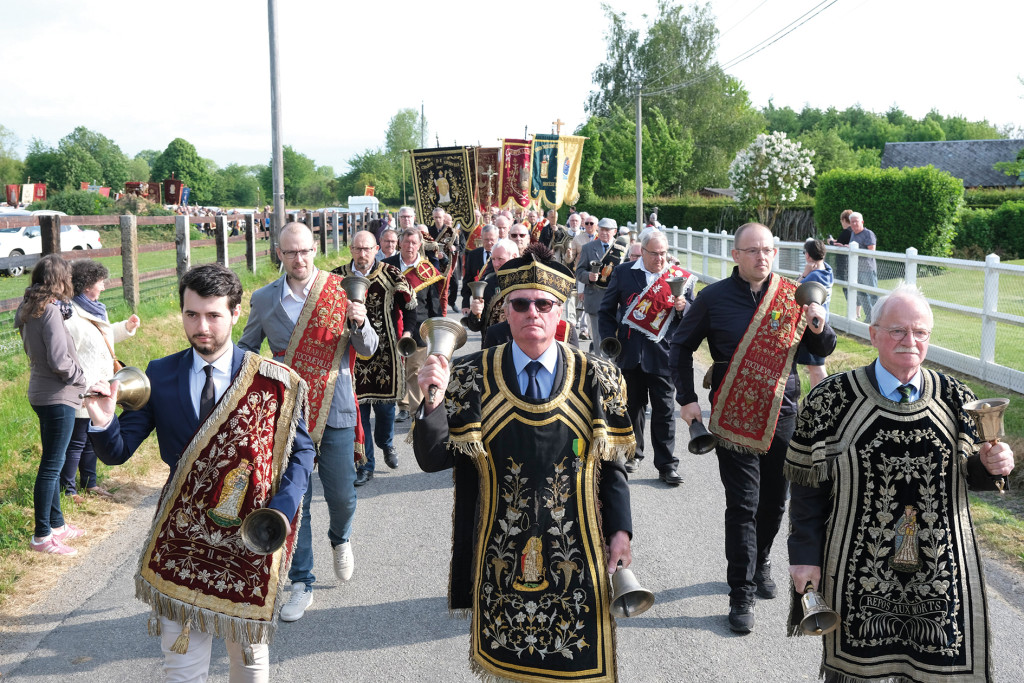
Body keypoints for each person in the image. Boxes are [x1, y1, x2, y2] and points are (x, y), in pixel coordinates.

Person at [86, 263, 315, 681]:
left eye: (212, 315)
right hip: (183, 540)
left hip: (250, 539)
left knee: (248, 664)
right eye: (192, 315)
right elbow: (118, 452)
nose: (201, 327)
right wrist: (103, 420)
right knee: (182, 666)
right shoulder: (160, 373)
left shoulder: (274, 382)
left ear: (235, 313)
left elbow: (302, 454)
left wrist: (281, 512)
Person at [412, 252, 635, 683]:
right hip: (500, 548)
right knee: (512, 666)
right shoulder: (469, 374)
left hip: (579, 549)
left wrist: (621, 532)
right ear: (505, 311)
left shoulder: (597, 376)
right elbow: (433, 458)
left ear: (559, 311)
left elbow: (613, 467)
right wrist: (432, 401)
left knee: (578, 661)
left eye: (543, 304)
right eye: (520, 304)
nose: (532, 312)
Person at [786, 283, 1014, 683]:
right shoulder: (831, 399)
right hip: (858, 572)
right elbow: (807, 491)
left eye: (920, 332)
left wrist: (993, 463)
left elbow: (973, 475)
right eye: (897, 331)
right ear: (873, 334)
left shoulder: (957, 398)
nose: (910, 340)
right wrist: (805, 554)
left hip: (941, 570)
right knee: (859, 668)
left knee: (939, 667)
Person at [669, 222, 836, 634]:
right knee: (743, 505)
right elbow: (680, 345)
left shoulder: (794, 295)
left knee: (775, 503)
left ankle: (760, 560)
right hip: (733, 416)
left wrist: (817, 323)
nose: (762, 256)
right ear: (735, 255)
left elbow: (821, 348)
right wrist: (687, 398)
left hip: (784, 413)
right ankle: (740, 593)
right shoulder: (712, 299)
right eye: (752, 250)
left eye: (768, 250)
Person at [238, 222, 377, 622]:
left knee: (342, 495)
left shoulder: (342, 289)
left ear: (315, 249)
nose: (297, 260)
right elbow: (247, 349)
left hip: (335, 407)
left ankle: (341, 538)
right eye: (289, 253)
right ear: (278, 254)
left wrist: (359, 321)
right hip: (287, 413)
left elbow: (369, 348)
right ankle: (301, 582)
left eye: (303, 251)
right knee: (295, 501)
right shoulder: (264, 298)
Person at [599, 231, 694, 484]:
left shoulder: (677, 277)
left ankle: (666, 465)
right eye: (655, 254)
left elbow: (695, 316)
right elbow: (606, 310)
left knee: (664, 411)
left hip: (664, 353)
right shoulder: (623, 272)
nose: (661, 259)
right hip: (629, 353)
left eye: (664, 253)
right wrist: (610, 340)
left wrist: (685, 308)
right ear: (643, 251)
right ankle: (633, 454)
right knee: (633, 408)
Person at [16, 255, 87, 556]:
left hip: (40, 393)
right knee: (51, 467)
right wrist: (79, 375)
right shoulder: (51, 312)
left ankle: (57, 524)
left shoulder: (30, 308)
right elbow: (60, 360)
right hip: (58, 396)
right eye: (68, 275)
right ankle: (41, 536)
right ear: (60, 279)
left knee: (52, 461)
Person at [332, 230, 414, 487]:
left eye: (367, 249)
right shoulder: (336, 277)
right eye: (357, 249)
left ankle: (386, 443)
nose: (362, 254)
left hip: (386, 356)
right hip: (351, 355)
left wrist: (408, 333)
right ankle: (365, 465)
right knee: (359, 414)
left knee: (385, 410)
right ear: (350, 249)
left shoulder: (390, 274)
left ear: (376, 248)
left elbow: (410, 307)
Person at [62, 259, 141, 503]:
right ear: (87, 286)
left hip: (99, 386)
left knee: (91, 441)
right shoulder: (71, 315)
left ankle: (90, 484)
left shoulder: (96, 308)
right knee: (76, 442)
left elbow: (103, 336)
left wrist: (126, 328)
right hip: (82, 389)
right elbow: (65, 354)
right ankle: (69, 489)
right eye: (100, 282)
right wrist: (78, 384)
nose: (104, 287)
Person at [384, 227, 447, 423]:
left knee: (415, 370)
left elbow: (434, 305)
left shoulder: (427, 271)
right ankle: (402, 406)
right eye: (406, 242)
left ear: (419, 245)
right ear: (399, 243)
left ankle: (415, 413)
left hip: (418, 329)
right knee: (397, 369)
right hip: (390, 326)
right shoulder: (386, 266)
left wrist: (436, 334)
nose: (410, 246)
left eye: (414, 243)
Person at [576, 217, 627, 349]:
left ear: (614, 231)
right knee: (598, 339)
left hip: (617, 301)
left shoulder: (622, 249)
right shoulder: (588, 248)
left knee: (617, 337)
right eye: (602, 229)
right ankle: (600, 367)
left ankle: (614, 366)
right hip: (595, 297)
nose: (604, 232)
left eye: (607, 230)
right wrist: (589, 276)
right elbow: (579, 271)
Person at [462, 239, 519, 339]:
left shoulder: (526, 284)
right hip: (491, 349)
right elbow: (475, 327)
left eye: (500, 259)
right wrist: (475, 314)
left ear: (514, 257)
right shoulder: (486, 285)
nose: (496, 264)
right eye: (493, 259)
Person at [795, 238, 834, 387]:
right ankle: (813, 399)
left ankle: (826, 396)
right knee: (814, 367)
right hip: (823, 321)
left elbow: (793, 290)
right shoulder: (827, 271)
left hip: (812, 324)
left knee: (816, 368)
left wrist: (804, 274)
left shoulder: (813, 277)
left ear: (808, 256)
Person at [460, 223, 497, 314]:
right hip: (478, 300)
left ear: (497, 238)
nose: (489, 243)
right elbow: (468, 279)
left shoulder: (501, 254)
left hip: (496, 299)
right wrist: (465, 303)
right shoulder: (473, 254)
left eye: (492, 240)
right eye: (486, 240)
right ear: (481, 238)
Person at [827, 209, 853, 304]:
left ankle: (852, 308)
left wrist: (830, 242)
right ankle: (856, 311)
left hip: (844, 264)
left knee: (846, 287)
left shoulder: (846, 232)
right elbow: (841, 243)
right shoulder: (852, 232)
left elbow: (838, 245)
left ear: (844, 220)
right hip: (849, 264)